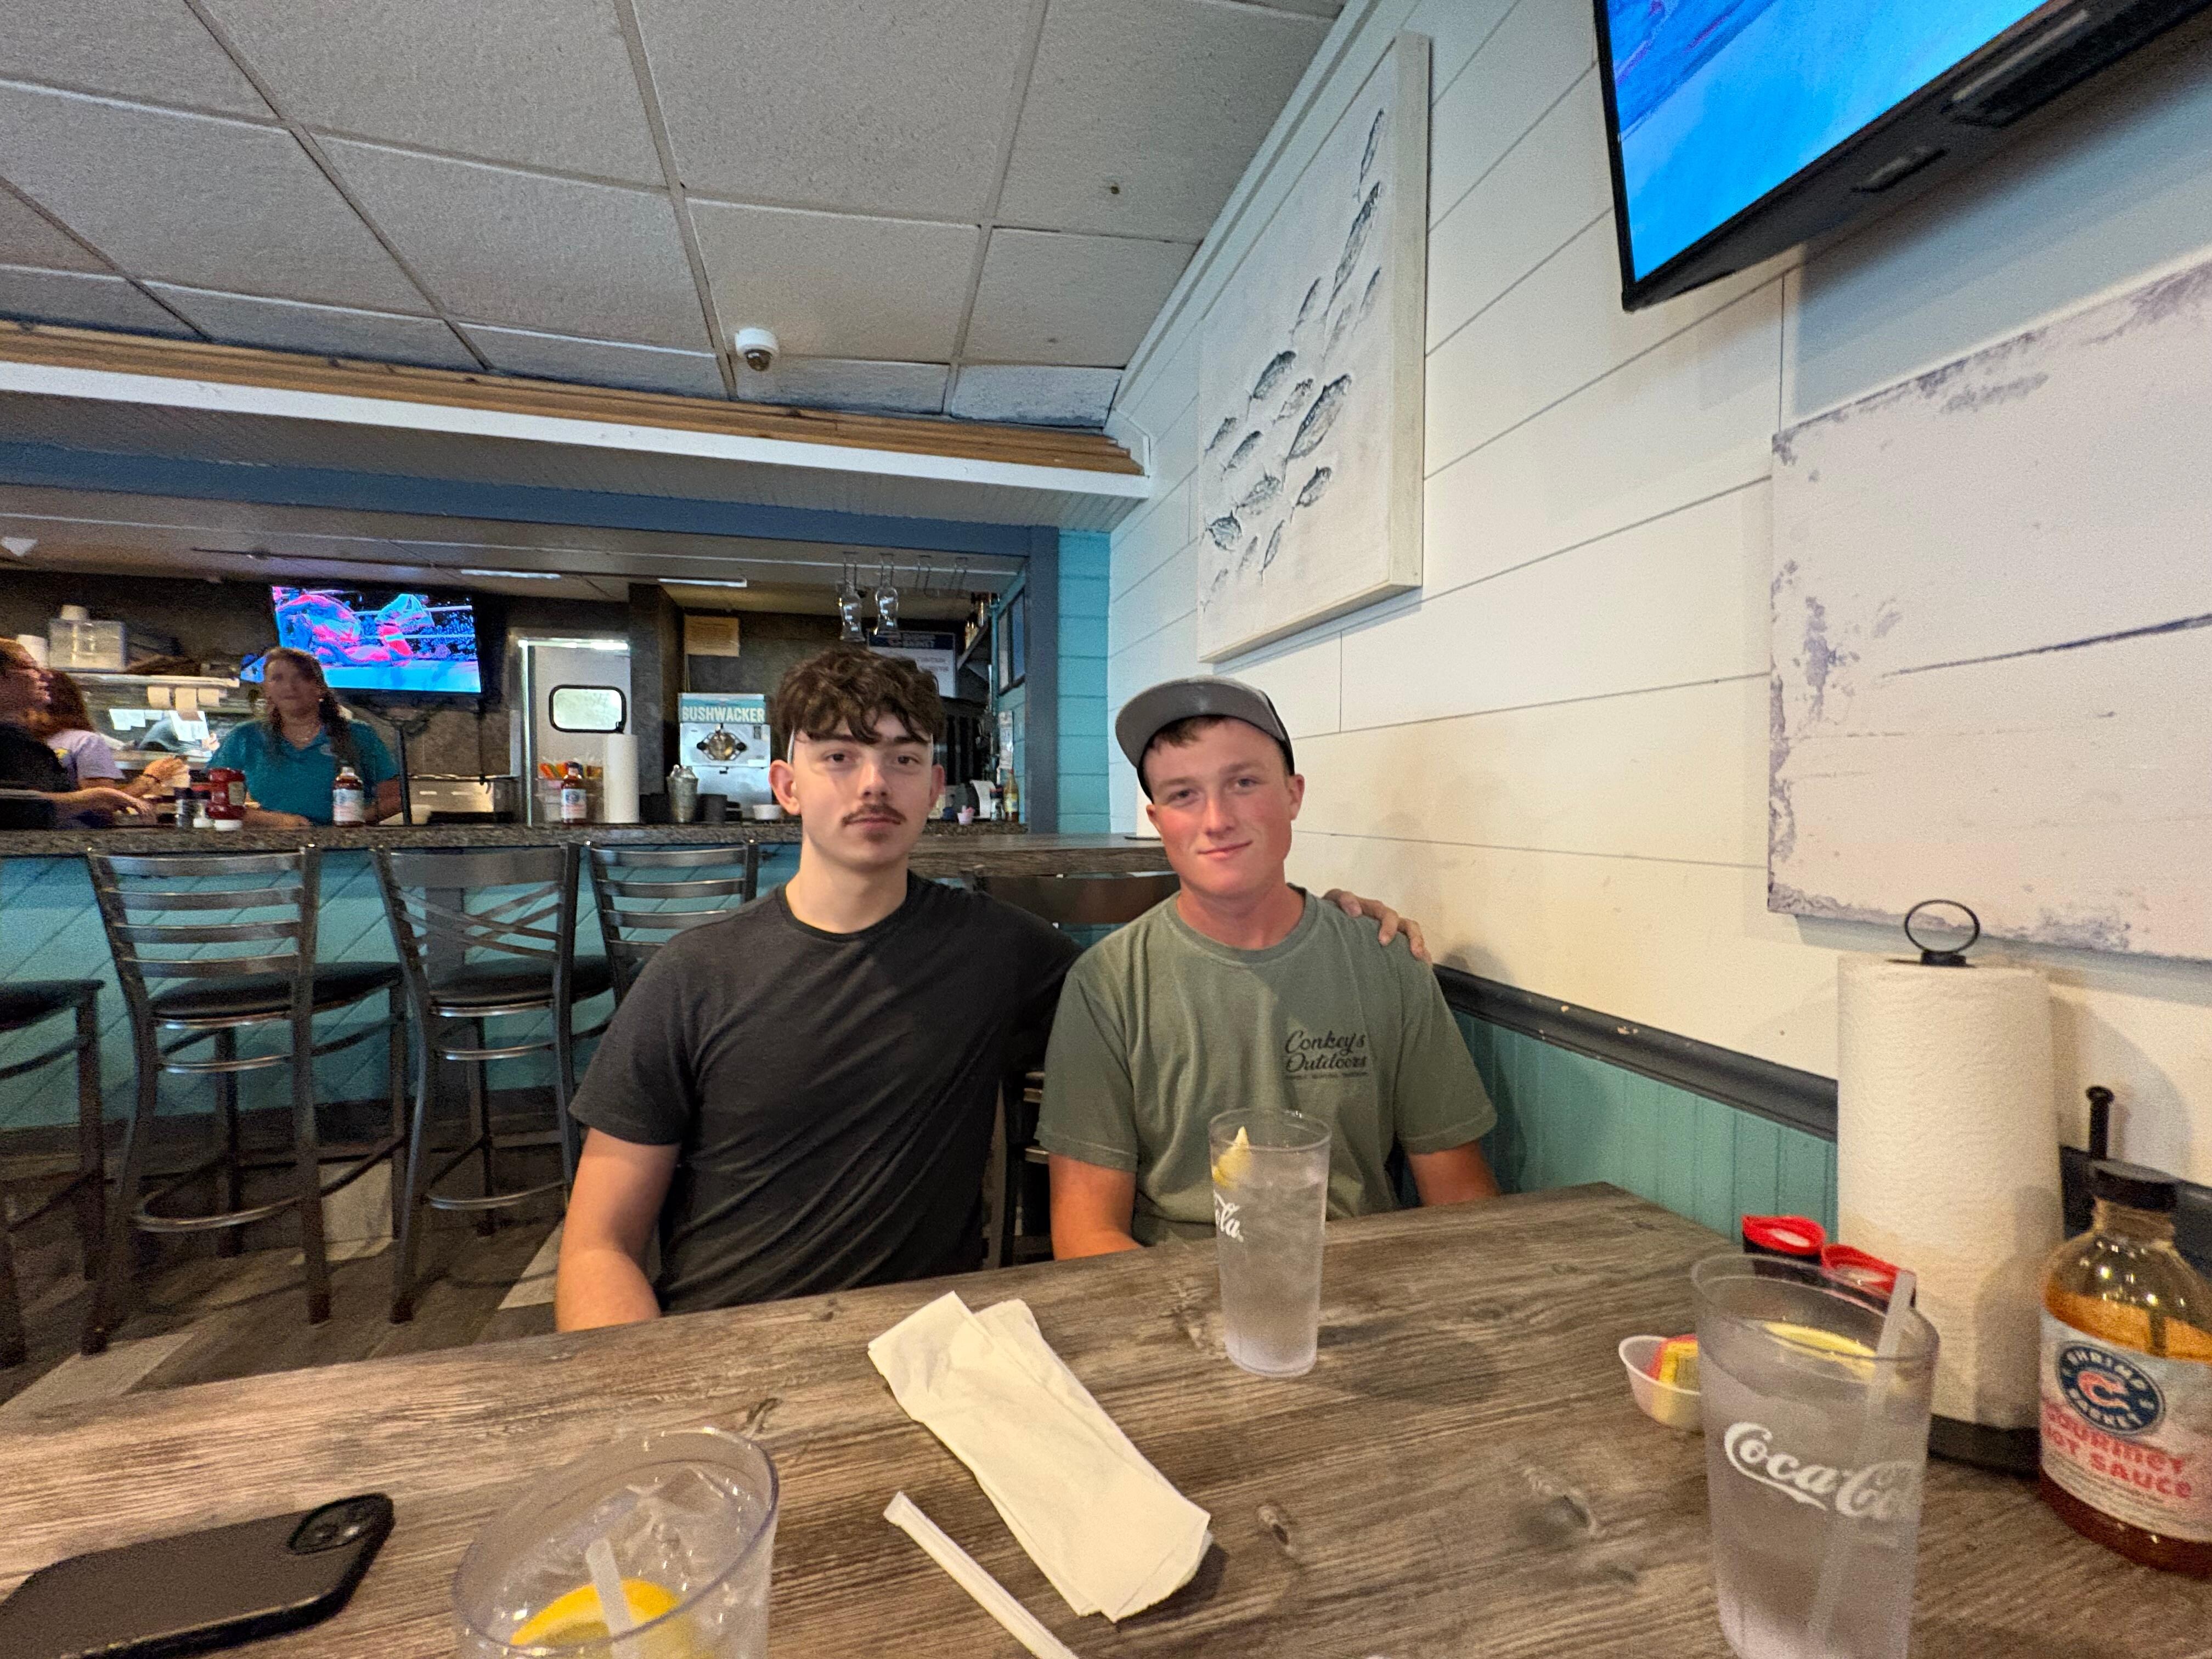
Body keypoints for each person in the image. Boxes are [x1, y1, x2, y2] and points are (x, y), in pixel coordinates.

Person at [555, 646, 1424, 1329]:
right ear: (786, 786)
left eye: (902, 758)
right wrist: (652, 1402)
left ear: (935, 788)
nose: (873, 783)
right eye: (839, 757)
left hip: (930, 1340)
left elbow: (1180, 959)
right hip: (723, 1335)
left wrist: (1324, 920)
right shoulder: (693, 976)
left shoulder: (1000, 951)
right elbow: (598, 1245)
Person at [1039, 676, 1500, 1259]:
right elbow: (1086, 1233)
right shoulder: (1107, 984)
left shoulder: (1386, 961)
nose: (1216, 819)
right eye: (1183, 794)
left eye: (1244, 783)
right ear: (1158, 821)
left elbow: (1462, 1199)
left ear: (1293, 794)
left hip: (1365, 1279)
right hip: (1173, 1288)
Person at [210, 647, 400, 827]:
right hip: (273, 847)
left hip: (347, 848)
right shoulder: (245, 737)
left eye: (301, 677)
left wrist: (350, 821)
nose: (289, 686)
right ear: (266, 689)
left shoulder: (359, 735)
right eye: (277, 678)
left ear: (320, 687)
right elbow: (214, 802)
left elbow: (395, 799)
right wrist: (275, 821)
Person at [0, 639, 153, 821]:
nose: (46, 675)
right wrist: (96, 797)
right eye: (30, 667)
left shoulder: (18, 737)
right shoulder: (12, 740)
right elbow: (14, 807)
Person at [23, 668, 187, 805]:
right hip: (74, 830)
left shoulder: (22, 739)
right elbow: (101, 804)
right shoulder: (85, 741)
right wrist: (151, 777)